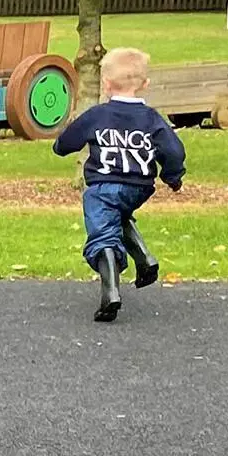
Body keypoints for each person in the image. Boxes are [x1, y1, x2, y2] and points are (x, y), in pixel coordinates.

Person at [52, 48, 186, 323]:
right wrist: (173, 176)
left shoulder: (98, 115)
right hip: (139, 188)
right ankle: (144, 257)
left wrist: (59, 146)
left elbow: (67, 142)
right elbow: (173, 150)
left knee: (102, 234)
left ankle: (110, 291)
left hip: (102, 187)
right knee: (117, 213)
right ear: (145, 84)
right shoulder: (151, 118)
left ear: (105, 83)